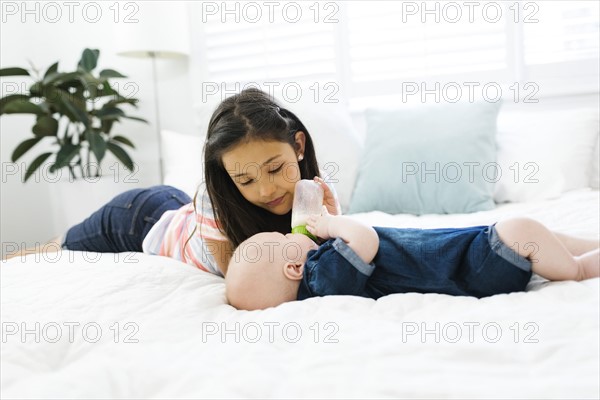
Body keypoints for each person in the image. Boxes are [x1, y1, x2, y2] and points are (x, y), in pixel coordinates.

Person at [14, 88, 340, 275]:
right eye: (244, 179)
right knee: (50, 251)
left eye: (274, 169)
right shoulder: (215, 203)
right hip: (137, 220)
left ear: (298, 146)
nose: (266, 190)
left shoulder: (316, 194)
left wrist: (333, 225)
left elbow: (331, 260)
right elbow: (244, 279)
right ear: (226, 177)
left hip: (177, 211)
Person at [225, 208, 600, 310]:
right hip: (473, 267)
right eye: (281, 238)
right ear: (293, 268)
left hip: (469, 251)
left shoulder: (325, 274)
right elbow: (364, 239)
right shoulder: (322, 279)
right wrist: (330, 223)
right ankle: (581, 269)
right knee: (522, 229)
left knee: (539, 236)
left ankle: (585, 246)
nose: (288, 233)